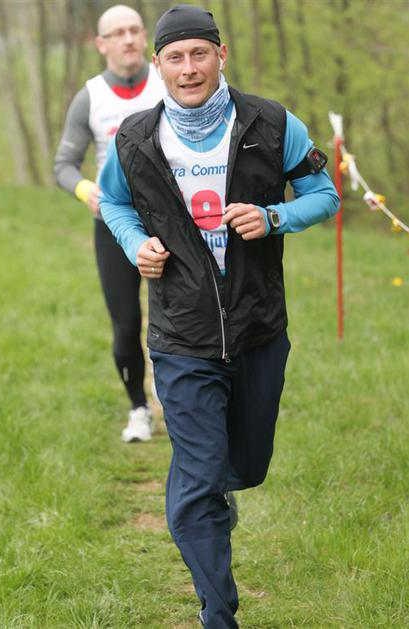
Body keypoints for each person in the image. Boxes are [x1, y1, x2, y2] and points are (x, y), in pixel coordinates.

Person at [100, 4, 340, 627]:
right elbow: (114, 203)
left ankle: (213, 489)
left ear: (221, 55)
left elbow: (325, 195)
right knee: (200, 477)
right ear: (158, 65)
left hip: (259, 327)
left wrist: (275, 217)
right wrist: (135, 243)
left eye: (199, 54)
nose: (188, 69)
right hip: (182, 333)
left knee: (246, 465)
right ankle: (218, 611)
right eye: (175, 58)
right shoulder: (135, 137)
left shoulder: (271, 122)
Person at [54, 5, 164, 442]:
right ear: (101, 44)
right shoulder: (90, 97)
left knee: (181, 320)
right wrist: (87, 192)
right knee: (126, 324)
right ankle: (139, 409)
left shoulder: (168, 82)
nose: (128, 39)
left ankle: (182, 406)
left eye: (135, 30)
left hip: (170, 221)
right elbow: (63, 166)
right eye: (117, 33)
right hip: (114, 224)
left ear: (145, 36)